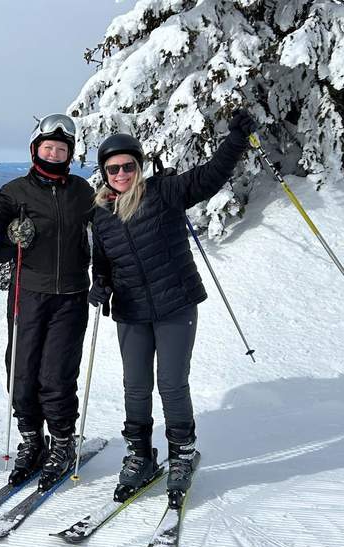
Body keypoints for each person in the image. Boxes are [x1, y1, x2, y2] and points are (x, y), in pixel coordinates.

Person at [89, 109, 257, 504]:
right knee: (135, 386)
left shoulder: (163, 193)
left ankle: (181, 454)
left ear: (138, 165)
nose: (121, 174)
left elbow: (210, 176)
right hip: (131, 311)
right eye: (112, 169)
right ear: (104, 172)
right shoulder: (101, 215)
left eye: (128, 166)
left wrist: (234, 140)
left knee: (171, 383)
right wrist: (100, 285)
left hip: (174, 304)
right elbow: (104, 263)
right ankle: (139, 455)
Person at [0, 114, 94, 491]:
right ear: (35, 150)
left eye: (61, 149)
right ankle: (33, 440)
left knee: (57, 375)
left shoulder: (82, 192)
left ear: (70, 154)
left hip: (71, 296)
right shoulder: (15, 192)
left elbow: (111, 224)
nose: (55, 154)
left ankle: (61, 442)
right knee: (22, 371)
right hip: (28, 293)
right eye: (48, 147)